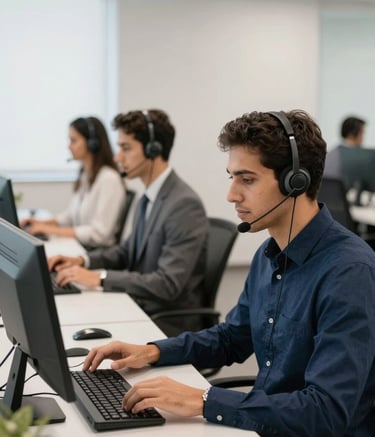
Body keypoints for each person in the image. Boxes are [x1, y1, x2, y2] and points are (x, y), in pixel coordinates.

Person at [82, 110, 375, 436]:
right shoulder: (269, 254)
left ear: (296, 181)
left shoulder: (349, 273)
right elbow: (232, 337)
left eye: (247, 180)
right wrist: (153, 351)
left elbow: (326, 412)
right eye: (231, 177)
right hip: (262, 424)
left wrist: (205, 399)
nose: (231, 195)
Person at [48, 109, 208, 336]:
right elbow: (125, 252)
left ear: (154, 150)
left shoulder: (183, 204)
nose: (117, 157)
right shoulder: (149, 197)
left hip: (167, 325)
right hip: (140, 306)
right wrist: (81, 260)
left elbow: (167, 284)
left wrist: (100, 278)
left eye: (126, 148)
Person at [20, 117, 125, 249]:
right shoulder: (86, 175)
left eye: (74, 141)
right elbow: (70, 216)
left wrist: (49, 230)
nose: (69, 146)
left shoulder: (109, 179)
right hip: (81, 246)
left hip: (95, 252)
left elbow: (100, 234)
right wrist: (41, 223)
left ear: (92, 143)